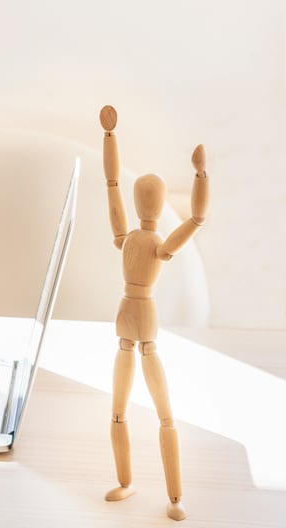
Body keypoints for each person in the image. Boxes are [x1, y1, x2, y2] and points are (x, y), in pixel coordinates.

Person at [99, 105, 208, 522]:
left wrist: (110, 136)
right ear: (160, 205)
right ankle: (146, 489)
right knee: (147, 411)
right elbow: (196, 220)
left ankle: (172, 496)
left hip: (133, 318)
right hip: (133, 320)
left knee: (141, 409)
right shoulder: (151, 241)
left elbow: (111, 184)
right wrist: (200, 176)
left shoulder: (127, 239)